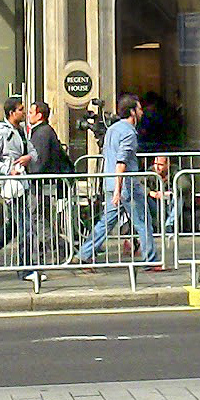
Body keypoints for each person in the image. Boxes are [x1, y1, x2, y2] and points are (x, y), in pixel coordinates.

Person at [73, 93, 159, 272]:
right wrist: (120, 190)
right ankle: (150, 260)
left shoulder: (113, 129)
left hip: (111, 183)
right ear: (132, 112)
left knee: (107, 222)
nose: (142, 112)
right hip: (126, 185)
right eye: (139, 108)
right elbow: (121, 162)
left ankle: (84, 254)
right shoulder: (129, 133)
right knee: (143, 221)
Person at [0, 98, 38, 284]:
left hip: (22, 184)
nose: (24, 113)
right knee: (25, 227)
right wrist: (8, 169)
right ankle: (26, 268)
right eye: (21, 110)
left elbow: (33, 152)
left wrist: (28, 157)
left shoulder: (21, 131)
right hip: (11, 186)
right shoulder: (1, 133)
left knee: (13, 227)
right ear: (12, 113)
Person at [26, 100, 76, 269]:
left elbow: (40, 161)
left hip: (42, 185)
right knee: (42, 219)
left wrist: (30, 177)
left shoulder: (42, 133)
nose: (28, 115)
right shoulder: (43, 131)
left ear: (40, 115)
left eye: (31, 112)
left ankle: (62, 247)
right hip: (46, 184)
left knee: (38, 219)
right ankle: (50, 250)